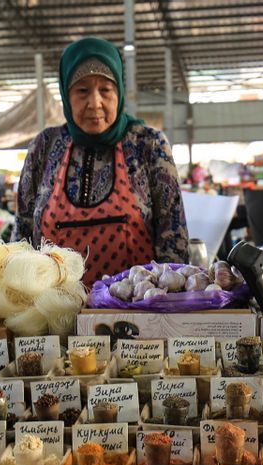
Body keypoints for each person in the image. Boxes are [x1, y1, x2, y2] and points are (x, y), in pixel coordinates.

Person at [13, 37, 189, 284]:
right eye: (82, 91)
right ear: (66, 94)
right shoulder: (44, 146)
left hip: (135, 305)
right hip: (53, 306)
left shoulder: (148, 145)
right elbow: (21, 239)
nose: (94, 103)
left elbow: (174, 241)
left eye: (105, 90)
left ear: (119, 92)